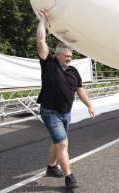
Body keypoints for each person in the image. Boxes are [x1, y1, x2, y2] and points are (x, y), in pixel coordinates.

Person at [36, 11, 95, 190]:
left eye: (71, 56)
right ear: (58, 55)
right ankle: (69, 178)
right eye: (66, 56)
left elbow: (80, 90)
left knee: (57, 141)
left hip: (65, 113)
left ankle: (51, 167)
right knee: (62, 143)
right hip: (49, 111)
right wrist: (43, 21)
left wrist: (90, 105)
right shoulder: (49, 64)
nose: (69, 59)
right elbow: (40, 41)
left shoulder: (73, 71)